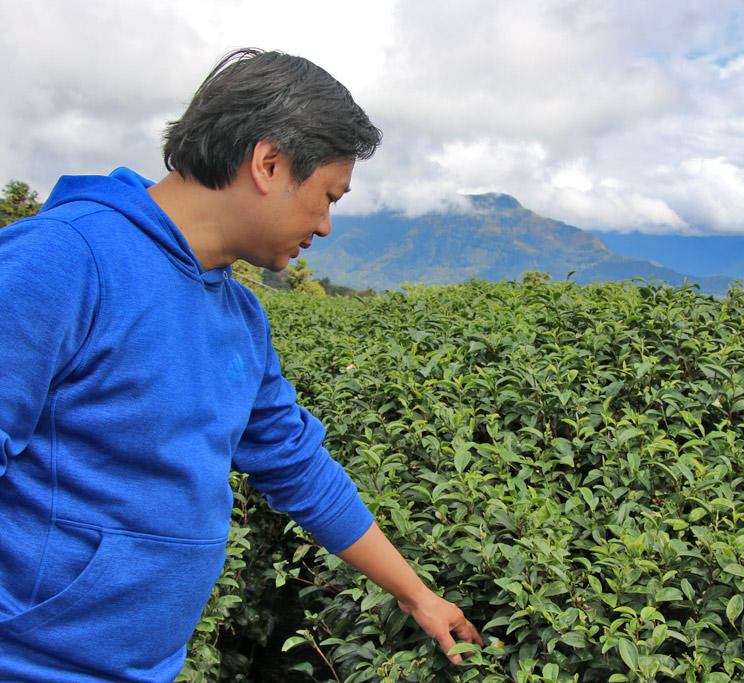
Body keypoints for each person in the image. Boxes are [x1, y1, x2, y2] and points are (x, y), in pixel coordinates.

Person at [0, 48, 482, 681]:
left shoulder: (241, 318)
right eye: (327, 196)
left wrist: (416, 593)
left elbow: (297, 465)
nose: (327, 224)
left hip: (142, 667)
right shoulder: (65, 260)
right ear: (269, 163)